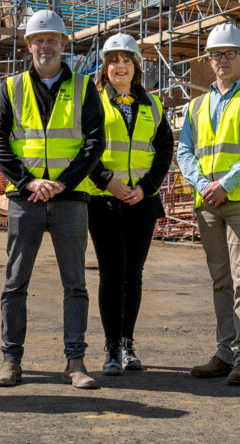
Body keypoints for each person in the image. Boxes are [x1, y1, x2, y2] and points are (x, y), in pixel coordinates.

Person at [0, 9, 105, 389]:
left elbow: (94, 143)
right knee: (15, 282)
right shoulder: (12, 86)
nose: (45, 45)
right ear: (29, 45)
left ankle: (75, 361)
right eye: (39, 39)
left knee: (75, 284)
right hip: (26, 199)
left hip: (70, 200)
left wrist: (64, 183)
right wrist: (28, 182)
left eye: (52, 39)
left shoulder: (86, 88)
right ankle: (10, 361)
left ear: (64, 44)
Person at [176, 21, 240, 386]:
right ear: (208, 61)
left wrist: (225, 184)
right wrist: (202, 184)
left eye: (229, 53)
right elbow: (184, 149)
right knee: (220, 280)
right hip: (207, 202)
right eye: (216, 54)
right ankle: (225, 351)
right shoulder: (196, 105)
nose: (222, 59)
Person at [83, 33, 174, 375]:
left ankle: (127, 344)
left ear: (137, 67)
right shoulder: (92, 102)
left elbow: (164, 149)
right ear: (104, 68)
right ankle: (110, 347)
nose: (120, 66)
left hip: (142, 201)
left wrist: (146, 187)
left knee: (133, 273)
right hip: (104, 201)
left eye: (127, 61)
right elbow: (84, 148)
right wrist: (108, 181)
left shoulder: (152, 105)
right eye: (113, 61)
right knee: (112, 273)